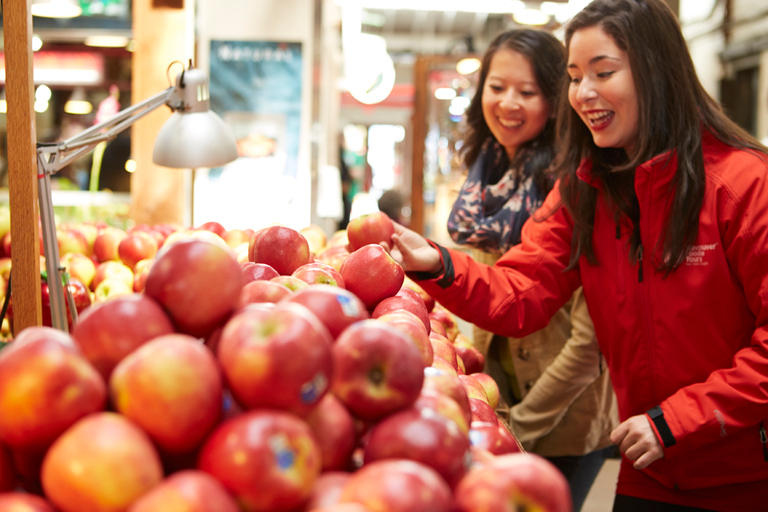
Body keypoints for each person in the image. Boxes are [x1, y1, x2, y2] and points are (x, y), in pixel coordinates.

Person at [384, 0, 768, 510]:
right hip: (646, 471)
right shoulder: (585, 192)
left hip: (740, 477)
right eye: (572, 76)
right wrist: (435, 263)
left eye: (603, 72)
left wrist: (677, 421)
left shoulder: (743, 186)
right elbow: (521, 294)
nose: (583, 94)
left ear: (656, 72)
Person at [445, 28, 617, 511]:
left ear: (557, 100)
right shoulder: (489, 170)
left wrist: (521, 421)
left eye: (528, 92)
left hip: (563, 416)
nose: (508, 104)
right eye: (497, 88)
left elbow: (590, 342)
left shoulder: (578, 183)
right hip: (501, 394)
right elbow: (491, 285)